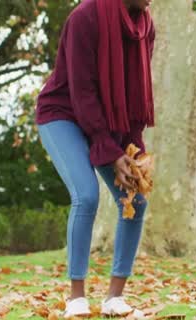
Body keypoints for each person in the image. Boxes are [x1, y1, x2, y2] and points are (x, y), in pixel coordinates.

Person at [34, 0, 155, 317]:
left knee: (135, 199)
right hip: (63, 114)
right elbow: (82, 90)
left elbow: (137, 94)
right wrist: (107, 147)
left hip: (110, 122)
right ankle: (76, 298)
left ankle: (114, 298)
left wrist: (131, 149)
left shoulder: (145, 27)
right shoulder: (85, 17)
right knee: (86, 195)